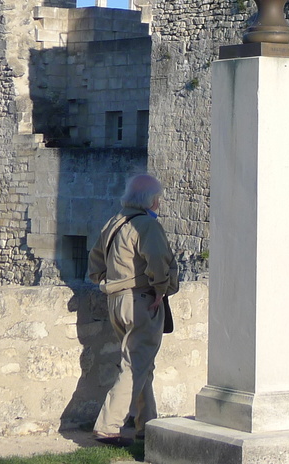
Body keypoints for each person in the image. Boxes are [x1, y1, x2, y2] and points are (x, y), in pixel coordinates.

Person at [87, 173, 178, 447]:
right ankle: (108, 426)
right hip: (141, 300)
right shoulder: (146, 226)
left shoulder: (114, 222)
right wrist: (160, 289)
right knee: (134, 365)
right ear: (151, 200)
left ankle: (147, 426)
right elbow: (157, 259)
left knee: (141, 365)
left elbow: (95, 261)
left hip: (117, 299)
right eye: (157, 198)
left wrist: (108, 282)